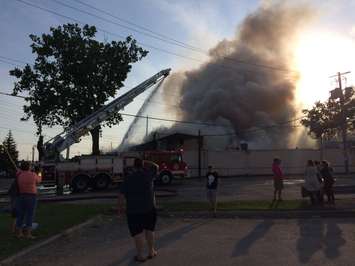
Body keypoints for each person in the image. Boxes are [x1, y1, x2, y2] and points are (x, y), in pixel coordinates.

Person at [118, 158, 157, 263]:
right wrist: (146, 161)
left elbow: (121, 196)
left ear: (134, 167)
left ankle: (140, 255)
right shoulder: (149, 175)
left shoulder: (128, 179)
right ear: (143, 165)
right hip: (149, 209)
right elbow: (156, 166)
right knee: (150, 230)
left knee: (137, 233)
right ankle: (151, 251)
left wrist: (121, 209)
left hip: (133, 211)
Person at [15, 161, 42, 239]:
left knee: (21, 215)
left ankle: (19, 233)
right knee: (30, 215)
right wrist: (39, 173)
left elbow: (18, 172)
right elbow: (39, 181)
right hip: (31, 196)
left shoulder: (19, 174)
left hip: (21, 196)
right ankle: (28, 234)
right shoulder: (33, 175)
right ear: (29, 167)